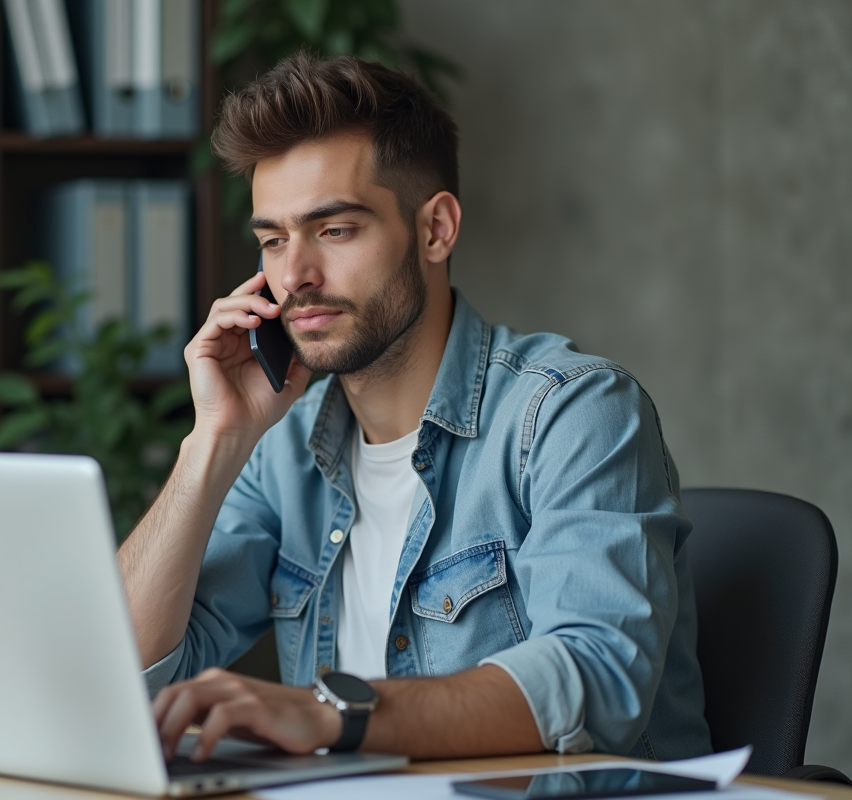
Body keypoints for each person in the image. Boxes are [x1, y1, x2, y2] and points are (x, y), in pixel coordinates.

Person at [117, 52, 711, 765]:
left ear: (435, 230)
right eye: (273, 240)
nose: (293, 276)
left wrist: (332, 713)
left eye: (334, 230)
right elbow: (128, 673)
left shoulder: (571, 411)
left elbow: (596, 679)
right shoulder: (285, 449)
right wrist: (211, 443)